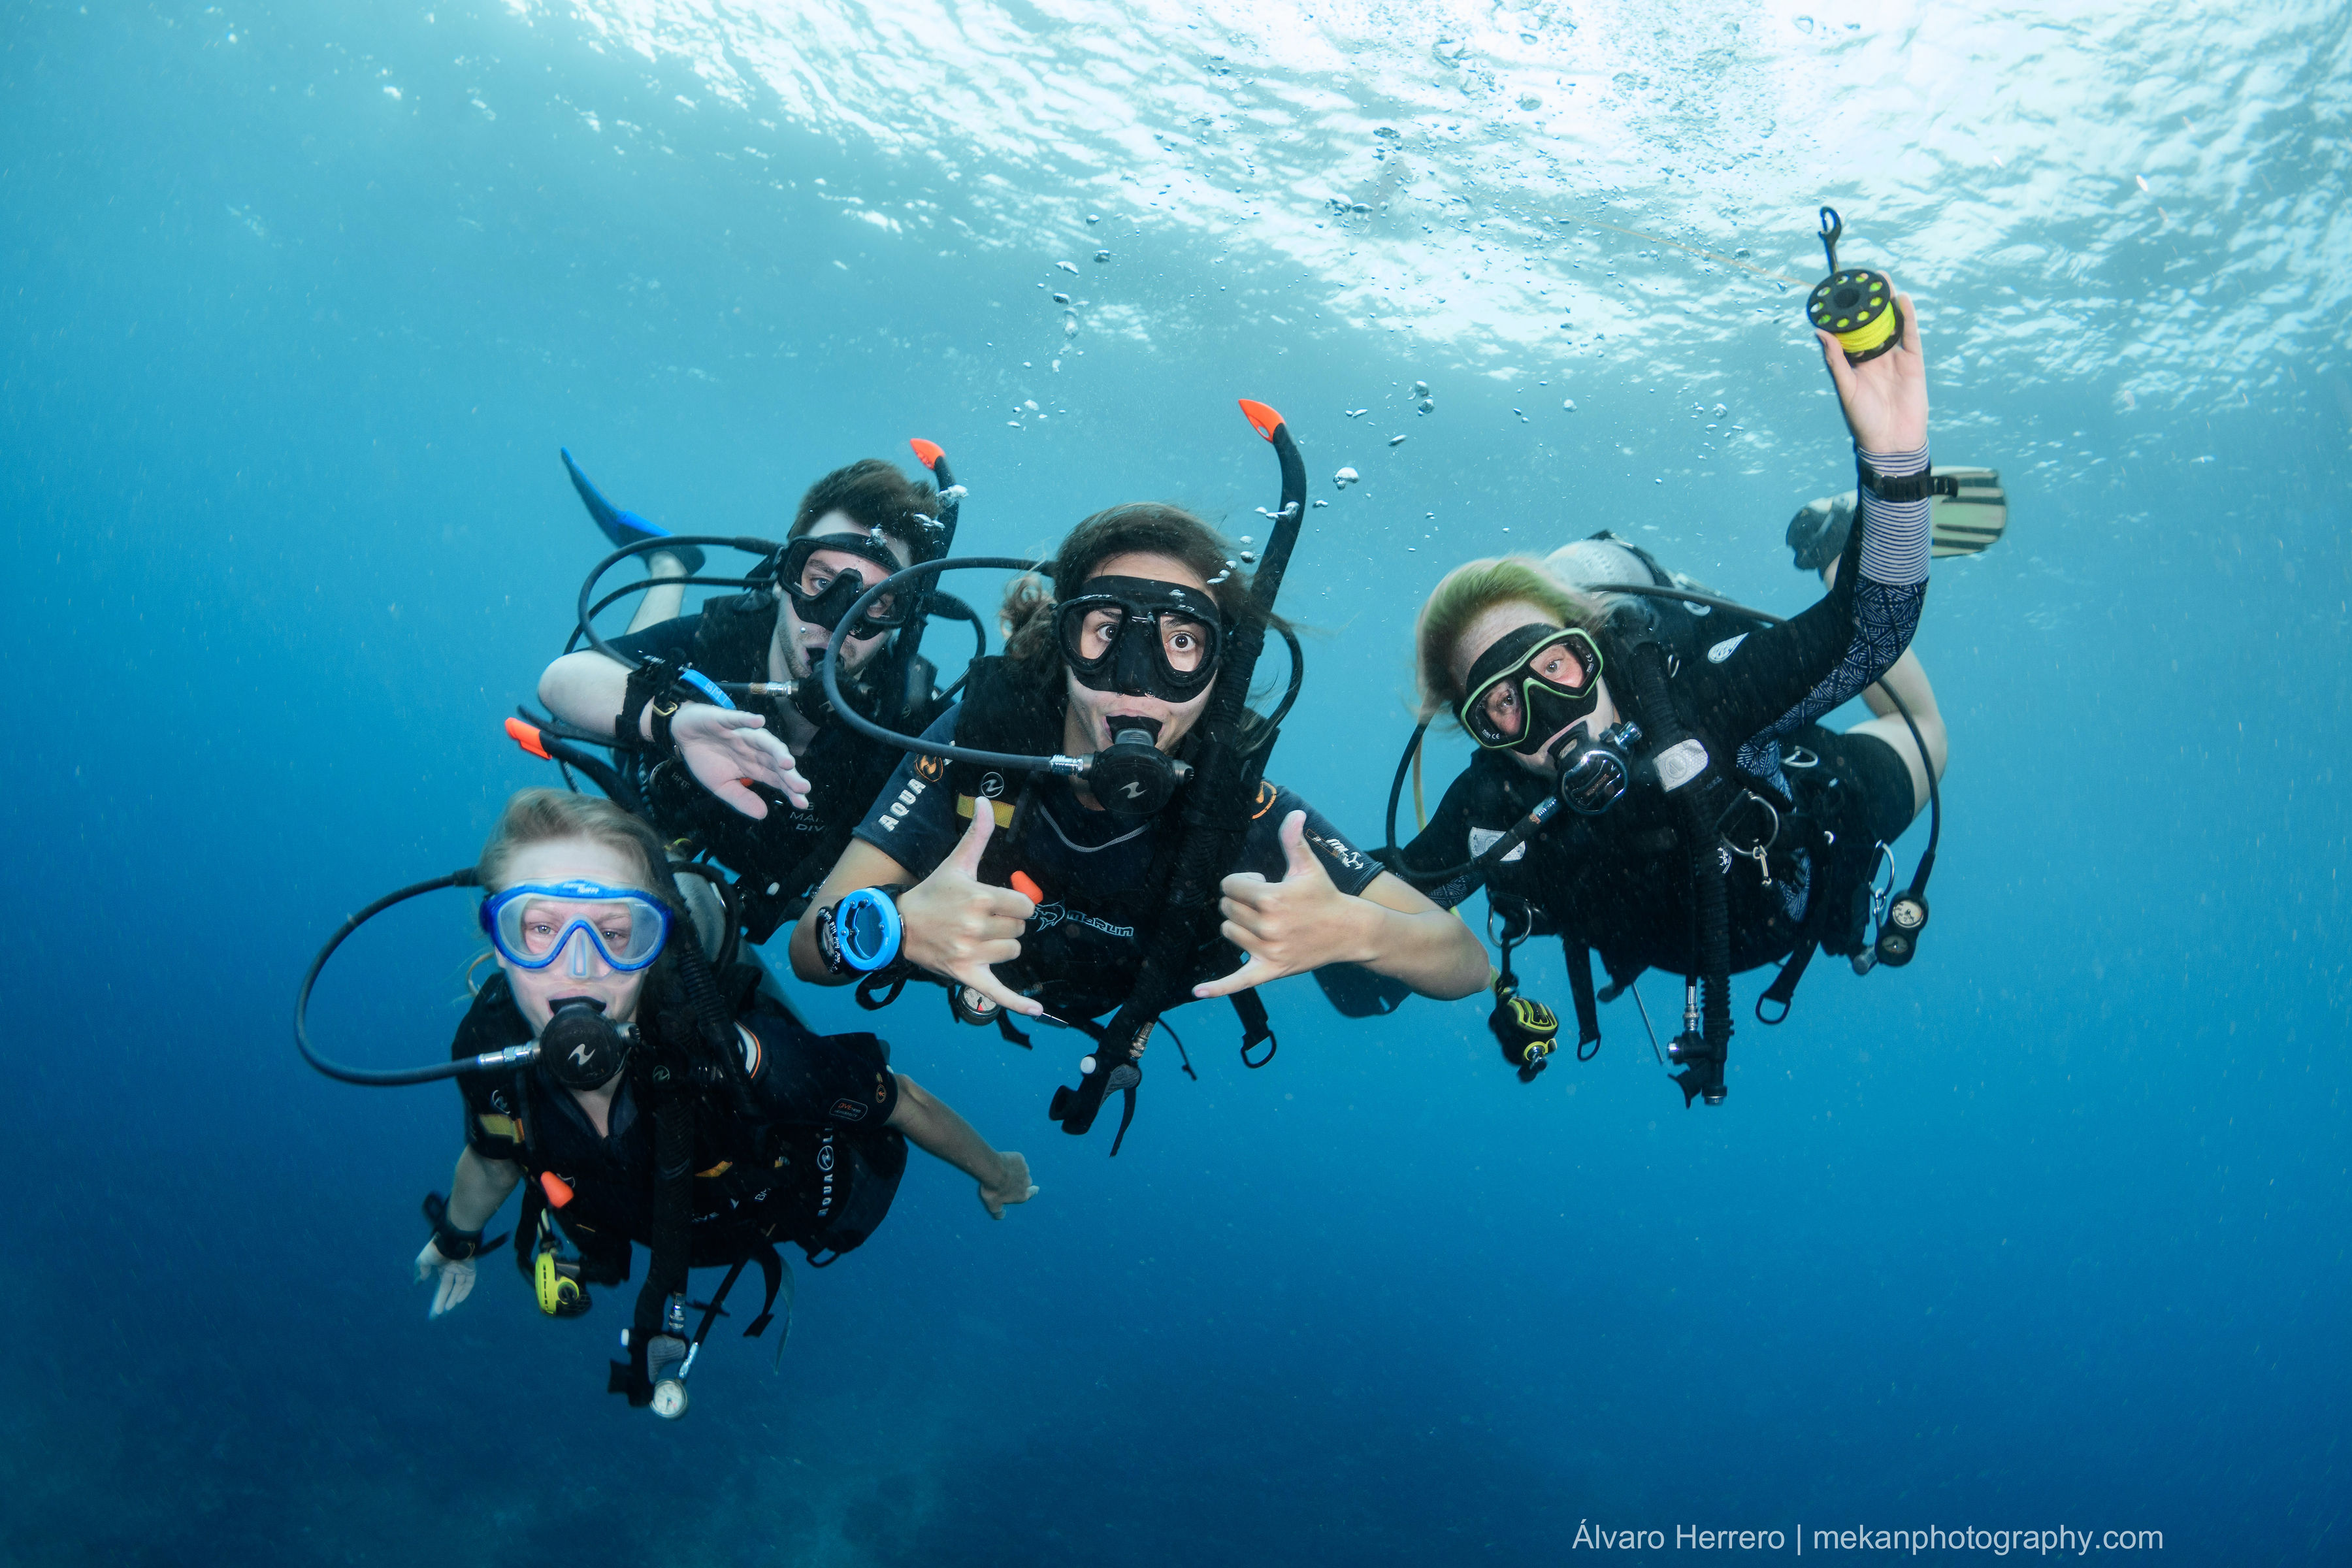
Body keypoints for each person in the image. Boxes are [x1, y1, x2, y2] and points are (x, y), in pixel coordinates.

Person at [1394, 280, 1948, 1102]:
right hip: (1698, 938)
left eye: (1555, 669)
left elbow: (1873, 628)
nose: (1549, 720)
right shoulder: (1494, 808)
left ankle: (1838, 545)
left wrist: (1896, 467)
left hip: (1820, 817)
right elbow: (1384, 904)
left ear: (1592, 651)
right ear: (1484, 737)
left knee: (1930, 729)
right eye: (1504, 706)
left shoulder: (1711, 705)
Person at [412, 789, 1036, 1409]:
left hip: (756, 1212)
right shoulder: (489, 1045)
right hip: (636, 1220)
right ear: (498, 939)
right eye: (540, 927)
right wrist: (456, 1238)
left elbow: (900, 1101)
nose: (578, 967)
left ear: (657, 942)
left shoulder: (733, 1058)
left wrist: (997, 1171)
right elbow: (495, 1154)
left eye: (616, 931)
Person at [786, 502, 1490, 1041]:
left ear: (1221, 673)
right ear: (1064, 642)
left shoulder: (1236, 804)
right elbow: (808, 949)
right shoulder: (981, 743)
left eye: (1181, 642)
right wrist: (895, 927)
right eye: (1105, 630)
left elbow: (1465, 963)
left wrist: (1358, 933)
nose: (1135, 684)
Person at [536, 457, 953, 941]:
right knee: (637, 679)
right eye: (821, 582)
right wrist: (670, 718)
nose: (835, 623)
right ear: (784, 576)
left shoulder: (906, 718)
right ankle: (671, 567)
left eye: (872, 603)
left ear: (900, 620)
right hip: (672, 812)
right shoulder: (725, 638)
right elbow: (563, 679)